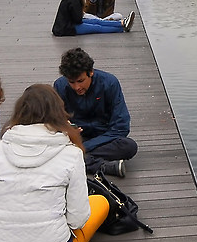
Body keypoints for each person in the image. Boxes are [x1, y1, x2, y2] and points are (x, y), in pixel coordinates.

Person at [0, 84, 110, 242]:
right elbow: (77, 220)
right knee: (100, 201)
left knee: (0, 212)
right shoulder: (71, 153)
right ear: (58, 112)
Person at [52, 47, 136, 176]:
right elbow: (55, 122)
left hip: (104, 137)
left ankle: (76, 158)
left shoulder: (110, 83)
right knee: (55, 147)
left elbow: (121, 127)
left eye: (80, 81)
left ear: (90, 72)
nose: (76, 87)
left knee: (129, 146)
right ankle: (102, 166)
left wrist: (84, 147)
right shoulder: (60, 86)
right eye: (71, 82)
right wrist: (66, 128)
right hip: (76, 138)